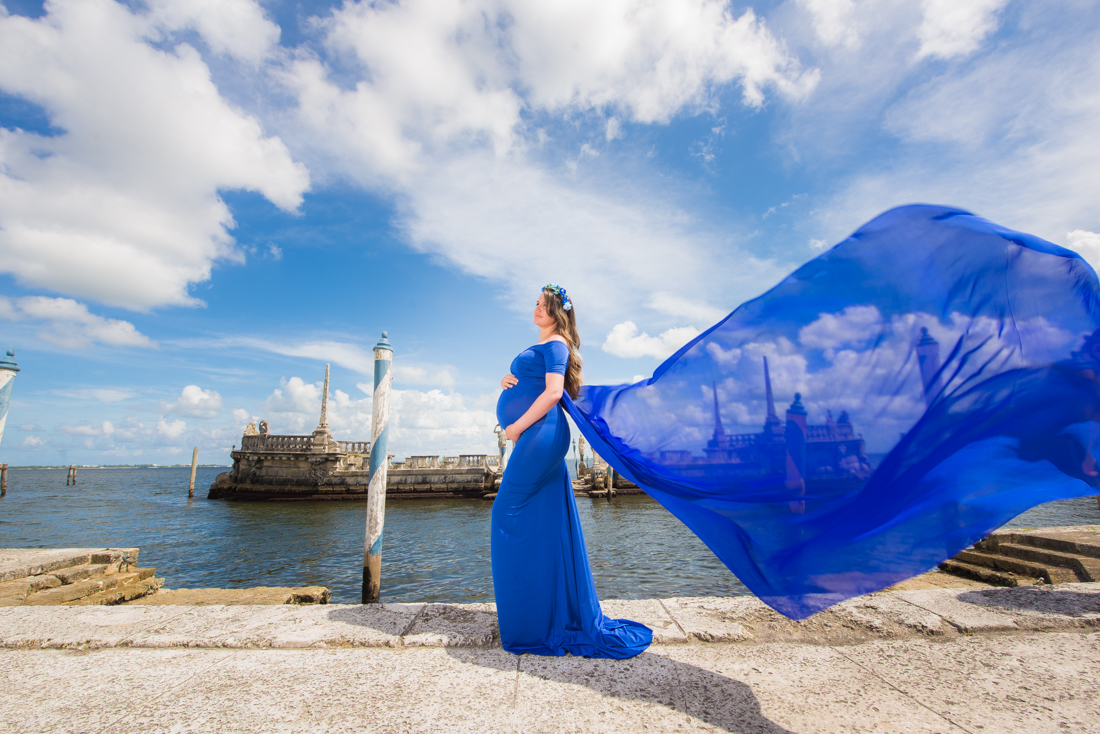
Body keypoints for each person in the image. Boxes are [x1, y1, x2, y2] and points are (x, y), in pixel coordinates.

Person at [493, 283, 652, 658]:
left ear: (558, 313)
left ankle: (528, 621)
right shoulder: (548, 344)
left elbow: (551, 394)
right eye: (535, 303)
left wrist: (515, 427)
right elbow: (534, 384)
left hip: (538, 433)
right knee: (545, 523)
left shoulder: (558, 344)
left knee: (506, 514)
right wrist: (507, 381)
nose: (536, 310)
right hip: (537, 435)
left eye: (544, 306)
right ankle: (540, 615)